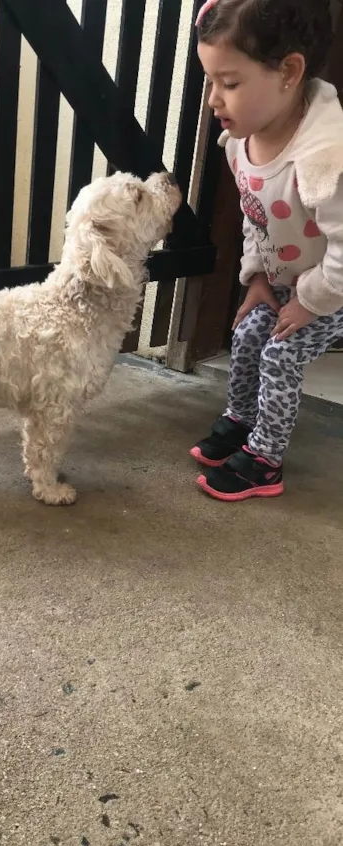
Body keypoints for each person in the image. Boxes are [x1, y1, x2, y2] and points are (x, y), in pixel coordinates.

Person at [190, 0, 343, 501]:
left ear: (289, 72)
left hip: (333, 285)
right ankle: (242, 418)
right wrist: (256, 277)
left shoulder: (325, 158)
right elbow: (255, 218)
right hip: (286, 278)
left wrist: (311, 301)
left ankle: (265, 458)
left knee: (281, 351)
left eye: (229, 84)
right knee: (250, 329)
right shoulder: (240, 142)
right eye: (210, 81)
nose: (213, 99)